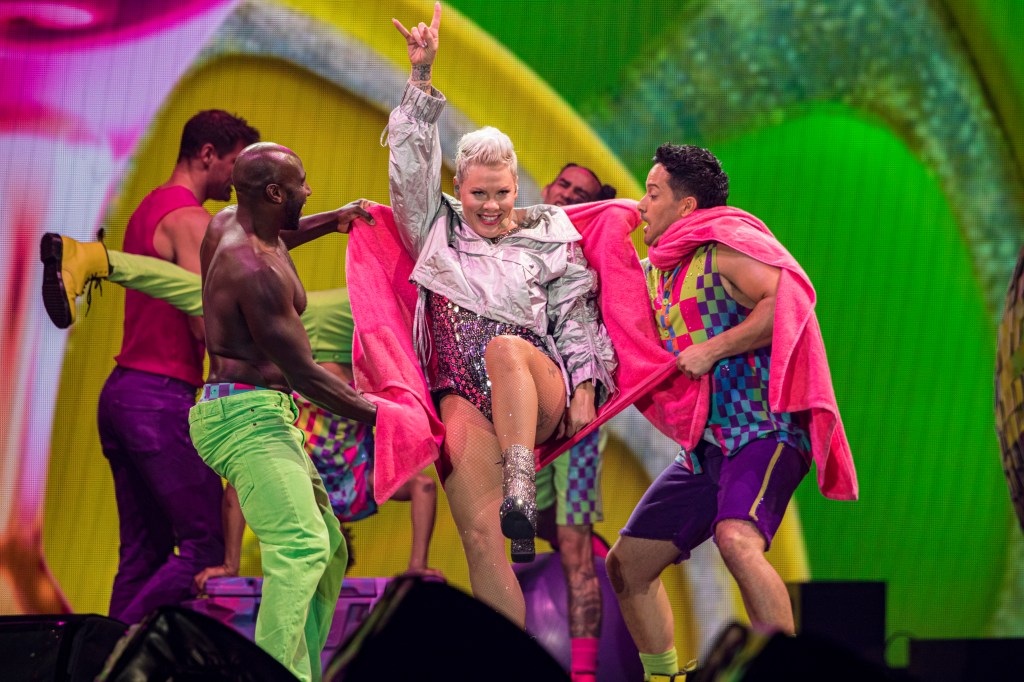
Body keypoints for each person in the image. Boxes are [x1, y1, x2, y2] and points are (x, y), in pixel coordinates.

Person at [384, 3, 618, 629]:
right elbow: (409, 170)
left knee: (505, 349)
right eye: (478, 193)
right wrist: (421, 77)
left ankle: (521, 487)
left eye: (503, 192)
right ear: (459, 187)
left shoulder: (550, 231)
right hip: (463, 396)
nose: (490, 206)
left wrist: (586, 387)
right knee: (482, 541)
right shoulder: (436, 230)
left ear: (518, 186)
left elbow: (576, 315)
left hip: (537, 391)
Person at [604, 143, 856, 682]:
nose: (641, 205)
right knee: (627, 566)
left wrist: (714, 349)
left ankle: (790, 675)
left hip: (765, 431)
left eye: (653, 194)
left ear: (686, 207)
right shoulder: (659, 272)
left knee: (737, 540)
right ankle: (663, 678)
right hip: (708, 449)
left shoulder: (724, 249)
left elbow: (787, 301)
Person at [42, 110, 260, 626]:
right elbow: (204, 324)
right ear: (207, 154)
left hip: (123, 396)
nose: (237, 178)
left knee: (144, 554)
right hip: (160, 399)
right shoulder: (192, 221)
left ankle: (100, 658)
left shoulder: (148, 209)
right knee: (208, 546)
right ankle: (117, 649)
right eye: (234, 163)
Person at [187, 141, 377, 682]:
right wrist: (387, 419)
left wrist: (333, 220)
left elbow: (280, 234)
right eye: (300, 186)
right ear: (274, 193)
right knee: (301, 545)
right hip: (243, 418)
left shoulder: (229, 222)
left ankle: (300, 672)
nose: (308, 191)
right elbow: (306, 376)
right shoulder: (255, 271)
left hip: (254, 411)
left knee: (328, 548)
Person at [537, 167, 617, 682]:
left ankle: (584, 676)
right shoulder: (512, 239)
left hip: (581, 423)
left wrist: (585, 391)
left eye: (580, 194)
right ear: (548, 188)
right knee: (519, 530)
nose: (567, 195)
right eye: (564, 186)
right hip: (528, 416)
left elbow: (590, 325)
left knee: (574, 548)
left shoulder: (589, 254)